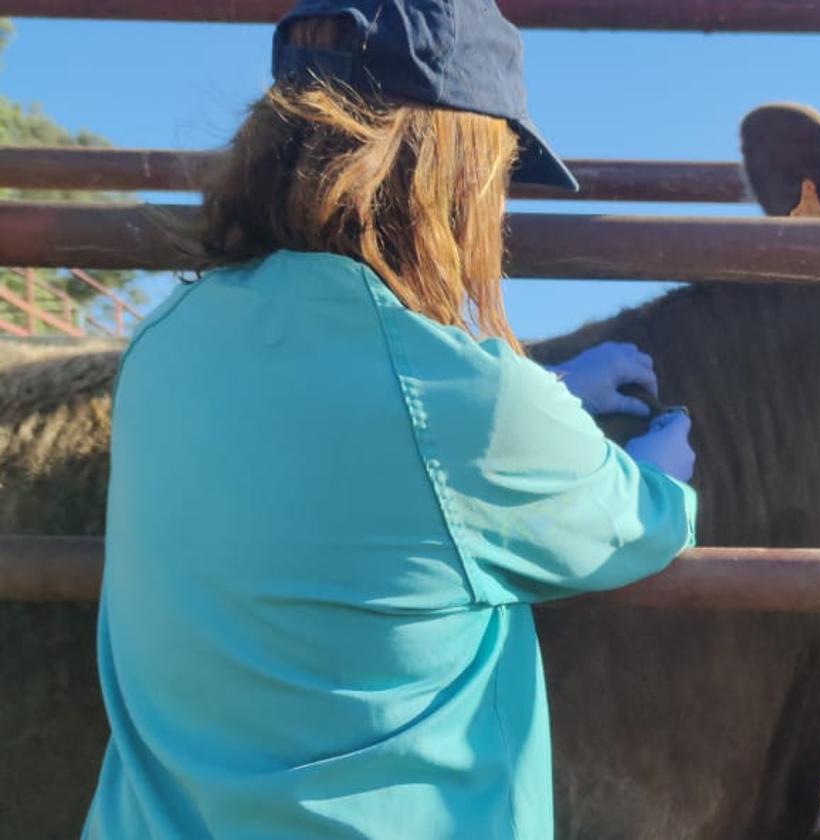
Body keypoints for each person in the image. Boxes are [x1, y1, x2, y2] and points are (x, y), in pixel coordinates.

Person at [81, 2, 697, 837]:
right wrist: (661, 470)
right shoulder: (469, 407)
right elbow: (632, 522)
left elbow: (338, 442)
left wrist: (543, 385)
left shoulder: (161, 347)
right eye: (501, 170)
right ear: (451, 166)